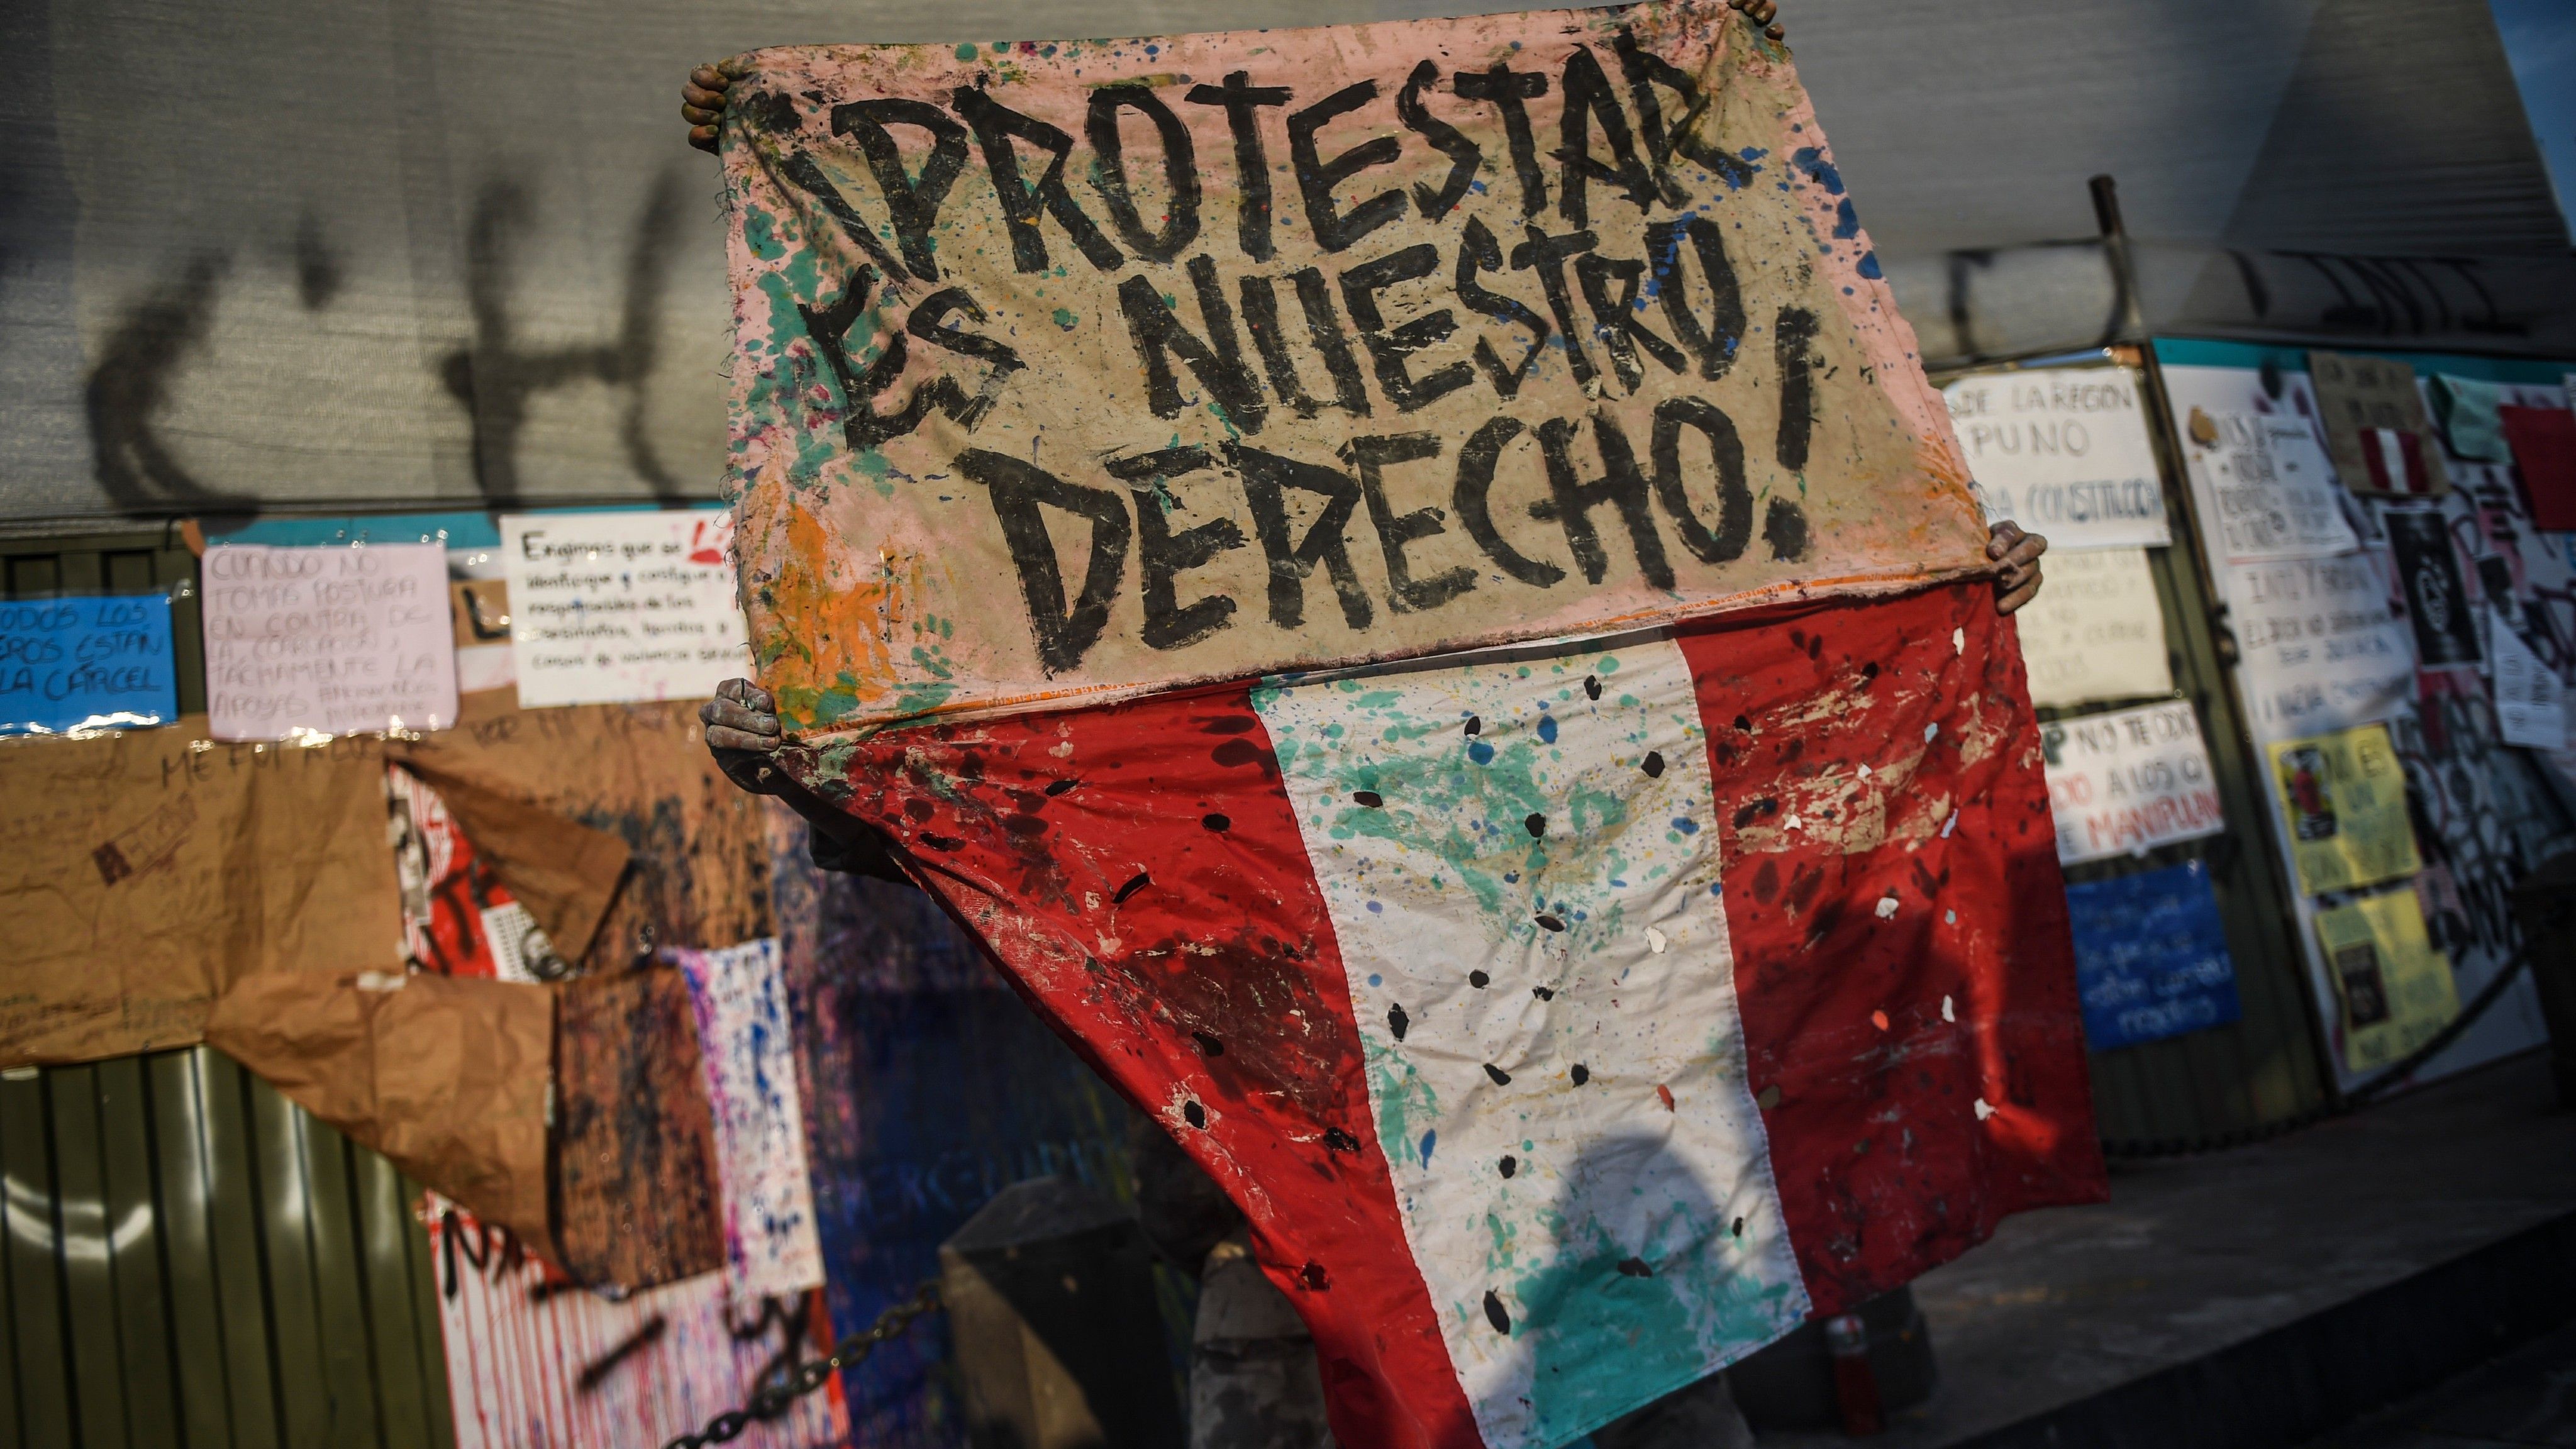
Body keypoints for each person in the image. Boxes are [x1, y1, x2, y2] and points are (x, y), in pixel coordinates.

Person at [680, 13, 2046, 1443]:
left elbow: (1770, 731)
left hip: (1600, 1251)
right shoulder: (1157, 701)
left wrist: (1917, 607)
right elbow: (999, 826)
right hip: (1281, 1248)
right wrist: (827, 779)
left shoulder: (1580, 646)